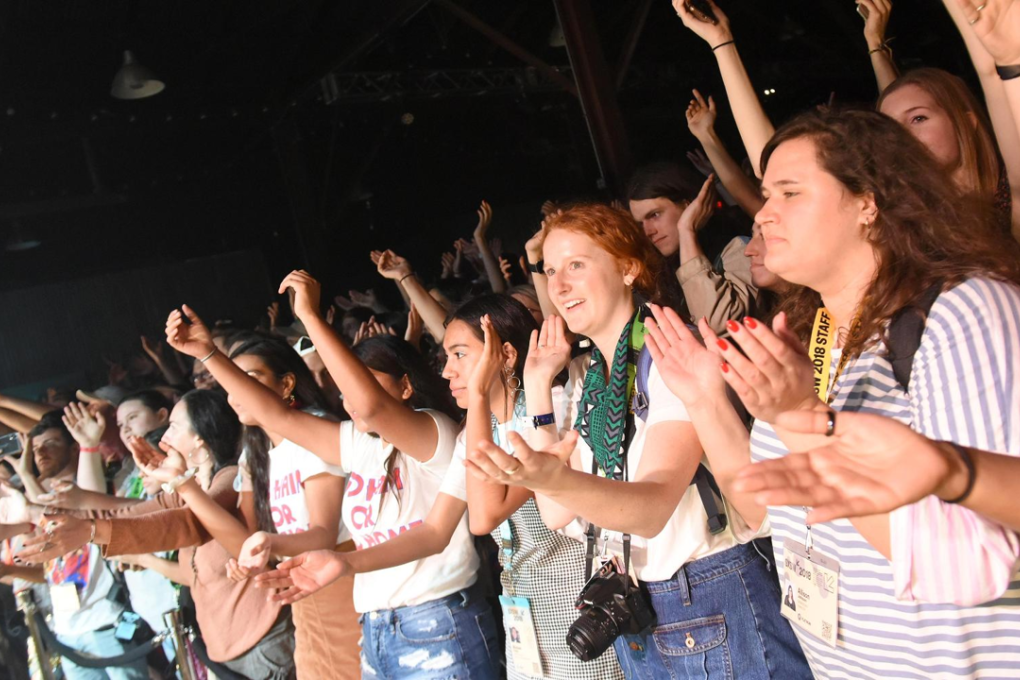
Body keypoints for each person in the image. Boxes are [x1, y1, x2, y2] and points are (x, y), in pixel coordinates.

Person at [683, 107, 1020, 676]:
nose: (763, 214)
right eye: (766, 194)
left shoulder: (961, 312)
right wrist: (703, 397)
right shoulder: (811, 336)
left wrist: (799, 419)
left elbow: (969, 560)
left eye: (790, 192)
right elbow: (766, 511)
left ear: (869, 201)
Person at [466, 204, 809, 678]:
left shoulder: (668, 353)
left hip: (705, 592)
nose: (558, 286)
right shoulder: (592, 378)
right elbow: (556, 513)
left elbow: (650, 510)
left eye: (576, 266)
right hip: (639, 605)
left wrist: (552, 478)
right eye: (550, 271)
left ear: (628, 268)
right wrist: (539, 385)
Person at [205, 270, 498, 679]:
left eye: (366, 384)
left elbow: (373, 408)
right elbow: (272, 412)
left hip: (437, 620)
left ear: (406, 387)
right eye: (345, 388)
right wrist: (208, 355)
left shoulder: (435, 431)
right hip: (378, 626)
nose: (350, 398)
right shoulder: (363, 444)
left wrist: (310, 316)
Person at [20, 391, 296, 680]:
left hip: (261, 640)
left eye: (174, 427)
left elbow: (187, 523)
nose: (164, 437)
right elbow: (139, 513)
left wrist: (92, 530)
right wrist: (81, 529)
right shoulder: (189, 489)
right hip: (224, 650)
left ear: (199, 438)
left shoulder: (228, 479)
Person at [160, 327, 361, 679]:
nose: (236, 394)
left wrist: (269, 542)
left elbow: (324, 535)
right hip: (302, 599)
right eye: (231, 384)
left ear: (286, 384)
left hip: (344, 585)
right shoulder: (254, 453)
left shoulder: (315, 430)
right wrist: (185, 485)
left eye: (249, 379)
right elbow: (246, 543)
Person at [446, 295, 624, 679]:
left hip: (576, 599)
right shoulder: (478, 431)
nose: (446, 371)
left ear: (505, 355)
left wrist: (477, 396)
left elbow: (484, 516)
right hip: (523, 609)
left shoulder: (551, 409)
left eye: (459, 354)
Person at [734, 409, 1020, 532]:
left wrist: (953, 471)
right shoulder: (809, 329)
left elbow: (969, 563)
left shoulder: (958, 310)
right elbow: (757, 514)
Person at [19, 413, 149, 680]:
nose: (41, 452)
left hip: (104, 623)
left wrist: (89, 445)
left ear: (73, 447)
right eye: (36, 447)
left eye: (52, 443)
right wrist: (23, 474)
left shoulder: (88, 490)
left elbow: (88, 502)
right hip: (66, 631)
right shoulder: (45, 498)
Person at [627, 162, 756, 335]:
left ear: (689, 205)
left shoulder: (738, 249)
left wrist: (687, 230)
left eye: (655, 215)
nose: (648, 231)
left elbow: (715, 324)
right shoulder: (662, 271)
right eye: (640, 223)